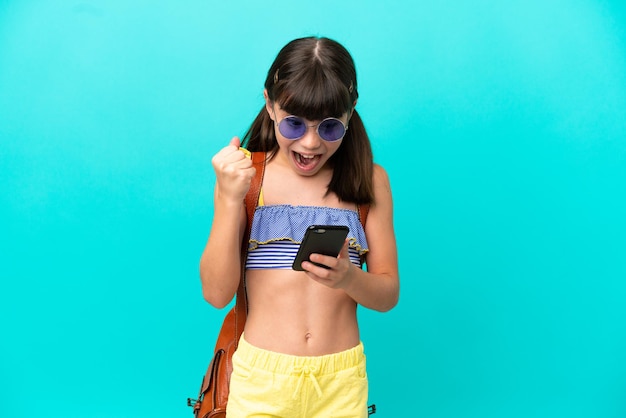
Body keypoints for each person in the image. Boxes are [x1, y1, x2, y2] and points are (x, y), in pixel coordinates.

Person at [199, 36, 399, 418]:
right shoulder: (247, 178)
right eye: (294, 124)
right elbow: (216, 293)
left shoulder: (370, 183)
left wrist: (347, 279)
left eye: (328, 129)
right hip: (262, 379)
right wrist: (227, 198)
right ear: (270, 105)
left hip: (341, 381)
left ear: (350, 112)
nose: (309, 144)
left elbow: (388, 294)